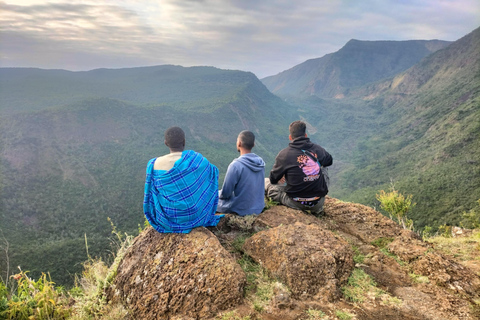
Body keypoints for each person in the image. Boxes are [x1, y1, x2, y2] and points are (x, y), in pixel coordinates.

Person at [143, 126, 222, 233]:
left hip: (169, 218)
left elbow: (150, 195)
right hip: (196, 214)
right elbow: (213, 172)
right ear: (184, 142)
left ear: (166, 143)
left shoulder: (153, 164)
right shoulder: (197, 159)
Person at [266, 120, 332, 214]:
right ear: (305, 135)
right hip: (318, 202)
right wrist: (314, 169)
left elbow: (273, 179)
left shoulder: (284, 154)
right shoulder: (317, 149)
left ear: (290, 137)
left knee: (268, 184)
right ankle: (317, 209)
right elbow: (329, 161)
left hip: (295, 202)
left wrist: (286, 175)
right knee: (324, 168)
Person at [217, 130, 265, 216]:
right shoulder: (260, 163)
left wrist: (217, 194)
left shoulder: (236, 165)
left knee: (211, 199)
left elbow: (225, 194)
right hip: (258, 207)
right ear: (253, 144)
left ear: (239, 143)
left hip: (242, 209)